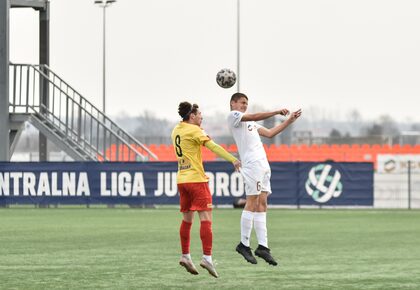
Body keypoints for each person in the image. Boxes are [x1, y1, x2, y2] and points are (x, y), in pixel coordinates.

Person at [227, 92, 302, 266]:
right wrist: (276, 112)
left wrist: (289, 120)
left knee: (262, 203)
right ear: (233, 104)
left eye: (246, 103)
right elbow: (253, 115)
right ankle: (244, 244)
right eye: (242, 102)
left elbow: (269, 133)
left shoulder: (250, 122)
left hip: (262, 164)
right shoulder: (233, 116)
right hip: (252, 164)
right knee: (251, 202)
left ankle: (263, 247)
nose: (245, 105)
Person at [172, 101, 241, 278]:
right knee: (206, 219)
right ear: (192, 116)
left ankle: (185, 256)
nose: (202, 116)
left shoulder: (176, 130)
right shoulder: (195, 130)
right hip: (196, 180)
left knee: (187, 220)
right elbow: (214, 147)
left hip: (182, 180)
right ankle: (207, 257)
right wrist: (232, 159)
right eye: (200, 114)